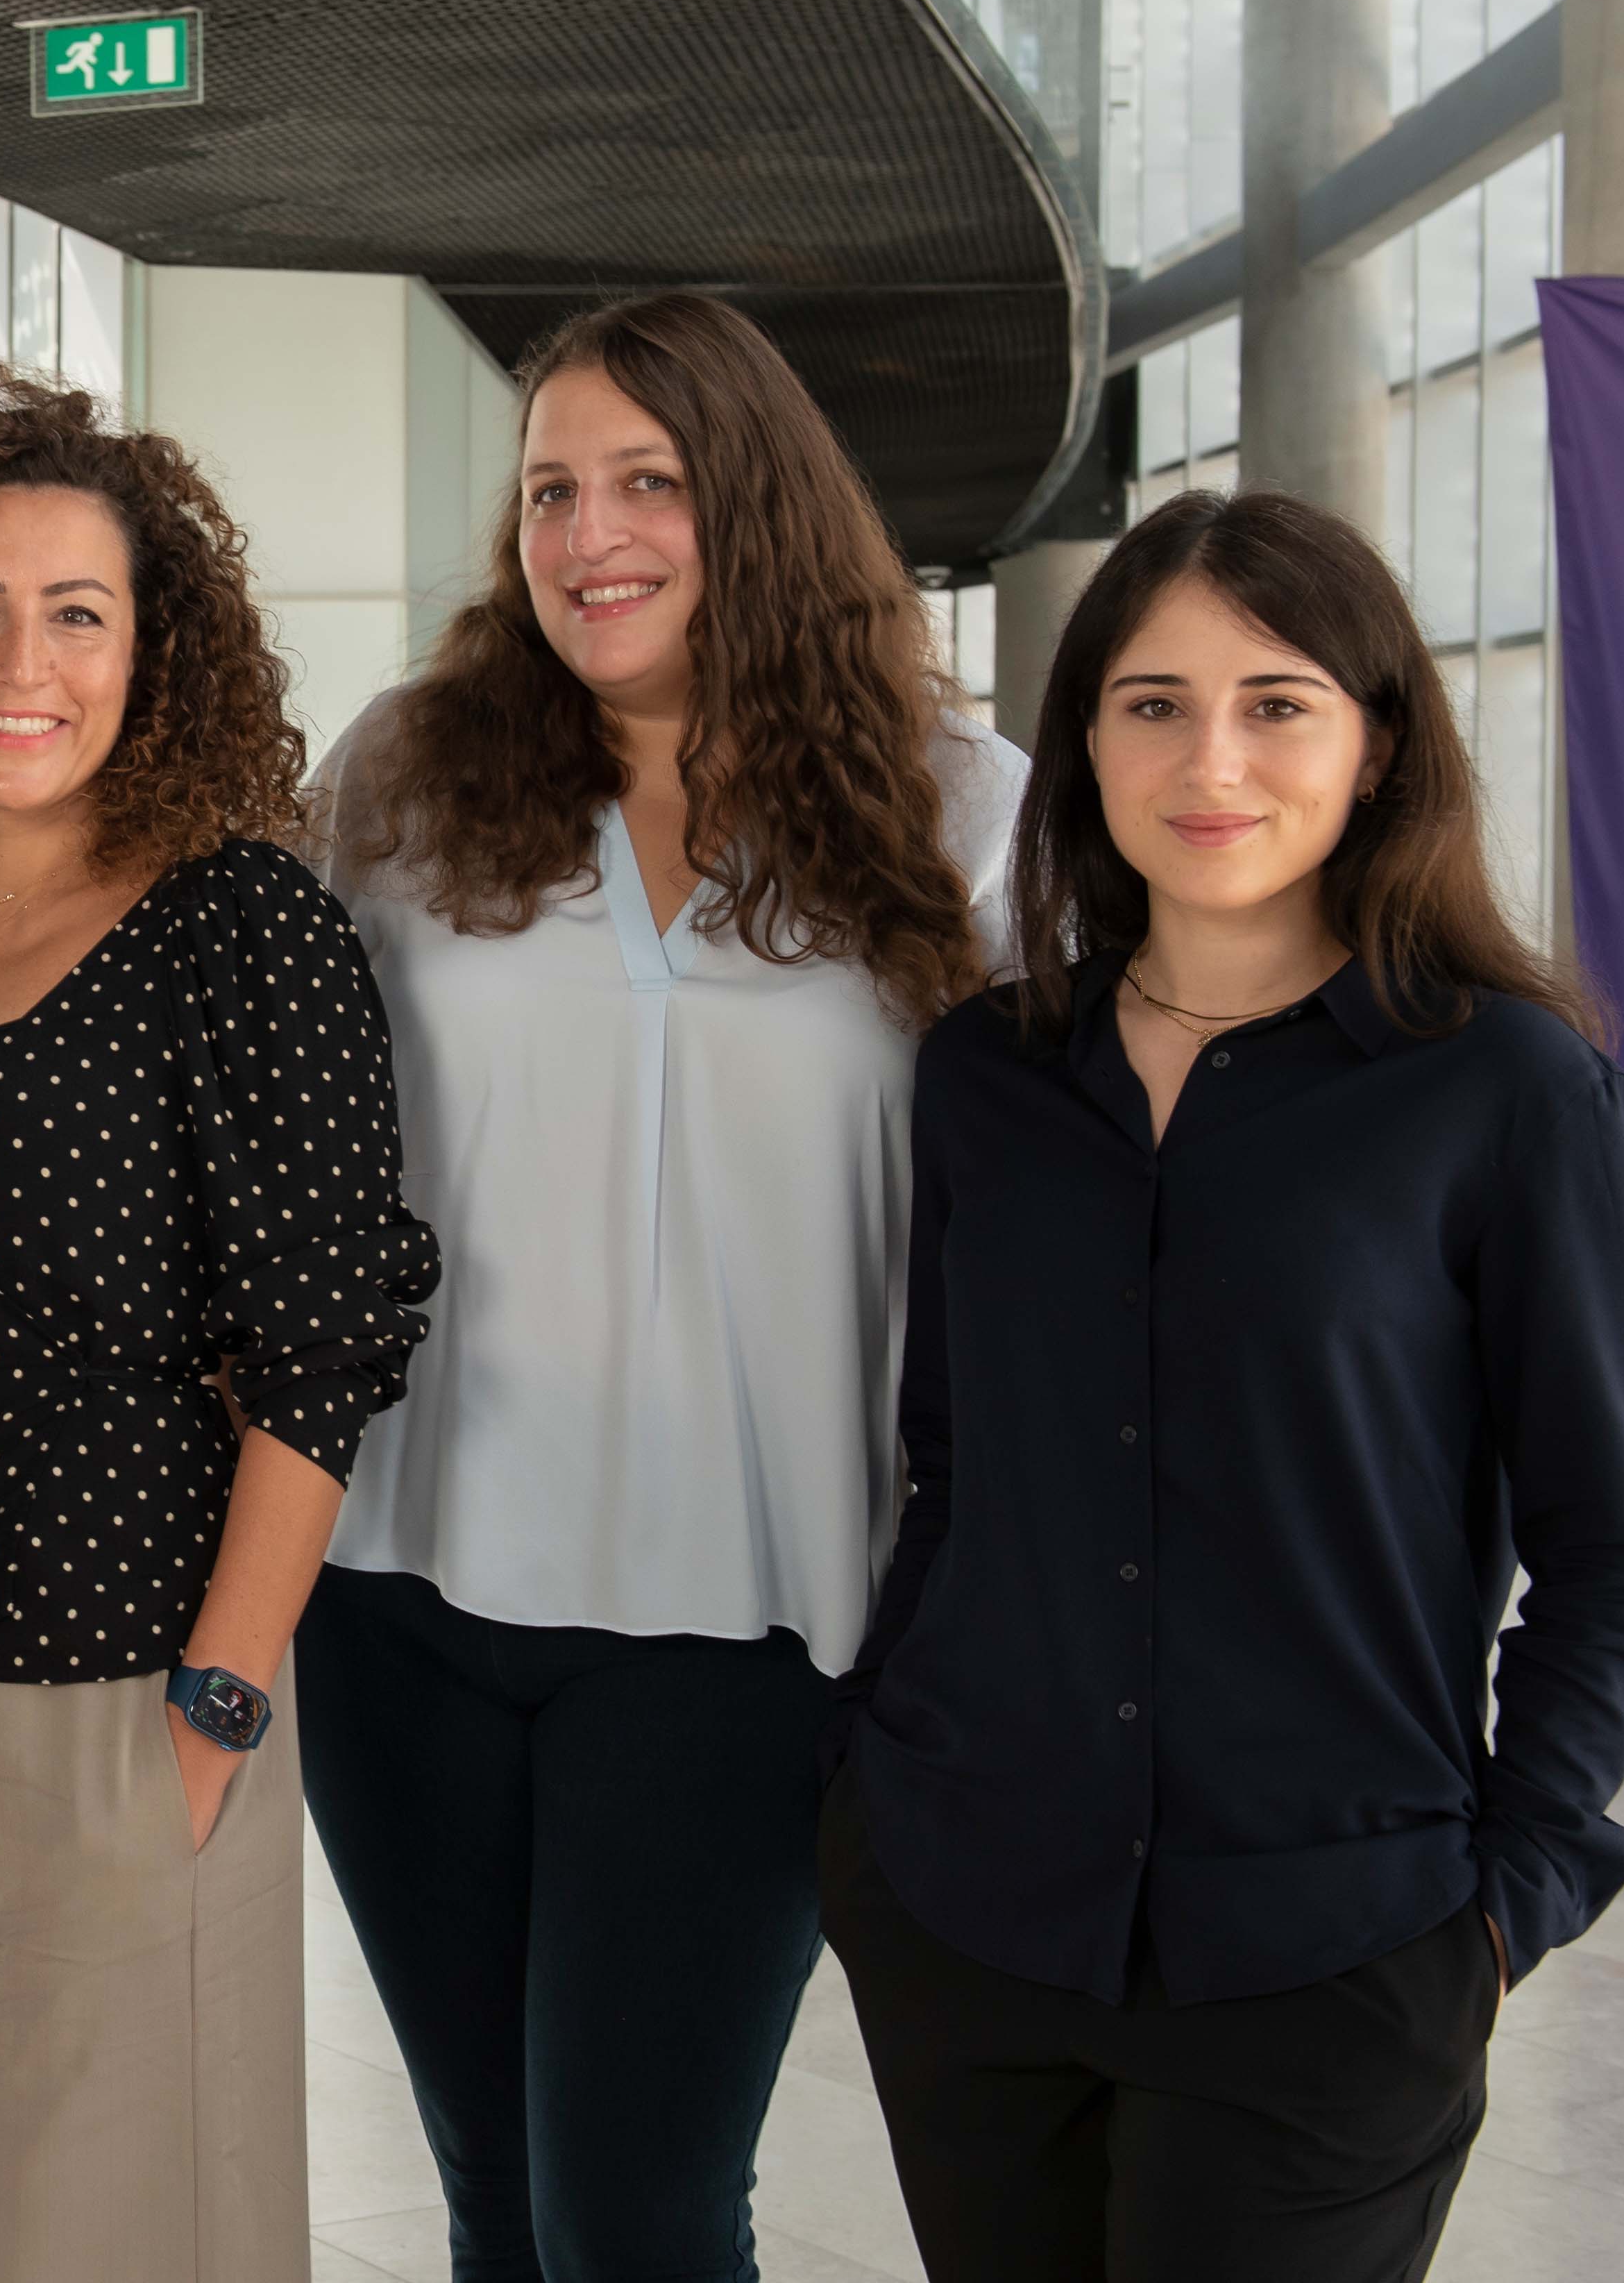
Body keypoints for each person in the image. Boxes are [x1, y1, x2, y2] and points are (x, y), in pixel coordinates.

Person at [827, 488, 1624, 2282]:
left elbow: (1604, 1553)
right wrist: (876, 1802)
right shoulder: (989, 1074)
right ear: (1085, 748)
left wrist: (1508, 1908)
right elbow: (955, 1463)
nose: (1212, 759)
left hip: (1334, 1951)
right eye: (1152, 704)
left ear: (1376, 747)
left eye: (1277, 702)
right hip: (973, 1918)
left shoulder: (1509, 1095)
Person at [300, 290, 1022, 2283]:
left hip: (748, 1625)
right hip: (397, 1599)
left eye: (648, 482)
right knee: (497, 2202)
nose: (586, 534)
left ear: (761, 503)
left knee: (637, 2215)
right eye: (549, 490)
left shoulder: (966, 811)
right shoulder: (403, 777)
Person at [0, 361, 441, 2283]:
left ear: (154, 654)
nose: (17, 661)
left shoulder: (239, 932)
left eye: (77, 612)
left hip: (112, 1701)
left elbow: (324, 1351)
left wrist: (217, 1701)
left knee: (107, 2243)